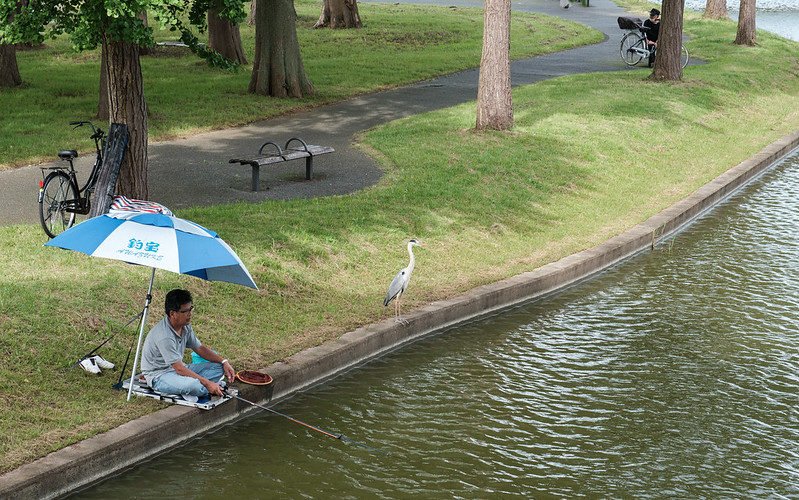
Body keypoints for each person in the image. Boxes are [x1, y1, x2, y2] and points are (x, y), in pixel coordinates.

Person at [141, 289, 235, 401]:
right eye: (185, 311)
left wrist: (224, 361)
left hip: (180, 369)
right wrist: (207, 383)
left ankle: (199, 387)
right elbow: (179, 369)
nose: (190, 314)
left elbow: (199, 348)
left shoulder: (185, 326)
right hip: (160, 375)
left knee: (219, 367)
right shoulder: (164, 336)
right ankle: (203, 387)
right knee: (194, 386)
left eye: (190, 309)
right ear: (172, 314)